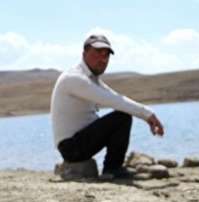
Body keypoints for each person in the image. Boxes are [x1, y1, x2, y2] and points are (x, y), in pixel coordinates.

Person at [51, 34, 164, 179]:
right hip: (72, 147)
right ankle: (113, 168)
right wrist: (148, 114)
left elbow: (116, 97)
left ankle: (113, 167)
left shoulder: (91, 79)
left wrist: (146, 114)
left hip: (78, 142)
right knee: (122, 117)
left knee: (121, 115)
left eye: (106, 55)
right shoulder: (75, 78)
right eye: (97, 53)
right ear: (84, 53)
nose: (103, 59)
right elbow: (115, 101)